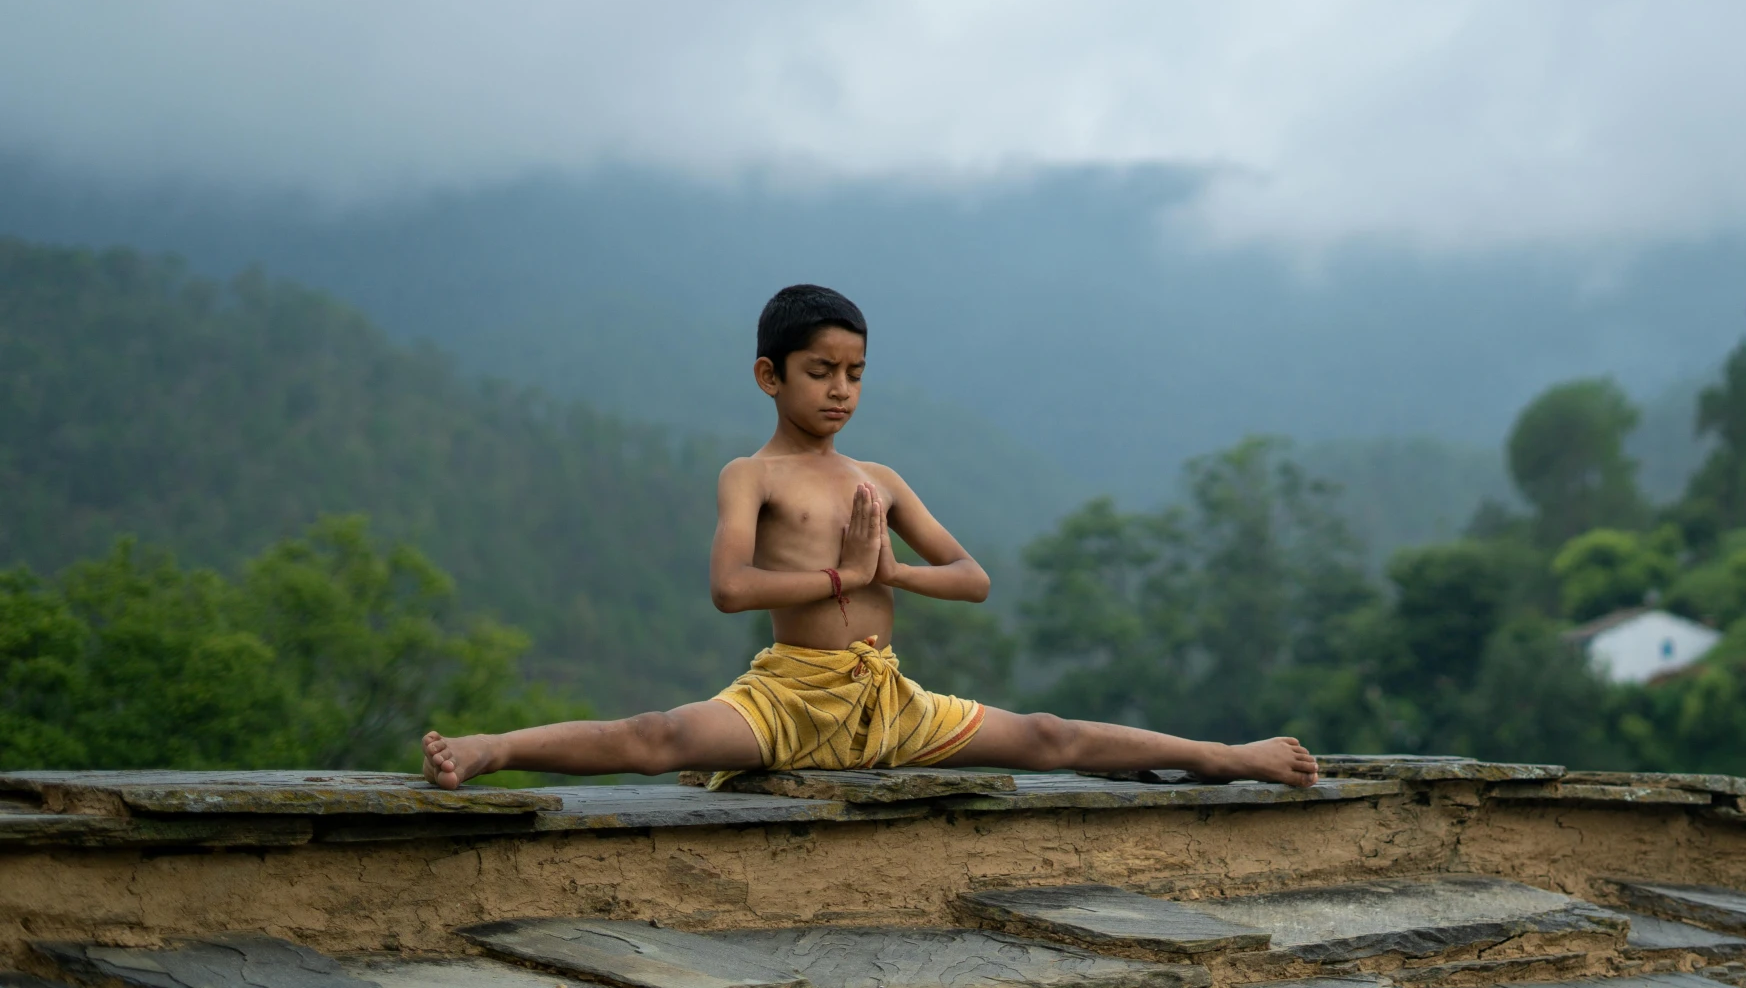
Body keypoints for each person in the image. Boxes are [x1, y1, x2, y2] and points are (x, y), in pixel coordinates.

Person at [421, 283, 1318, 790]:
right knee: (657, 736)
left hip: (888, 700)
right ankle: (496, 747)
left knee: (1049, 735)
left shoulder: (877, 480)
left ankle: (1223, 755)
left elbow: (971, 577)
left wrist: (888, 569)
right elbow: (731, 587)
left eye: (855, 372)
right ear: (770, 375)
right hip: (790, 696)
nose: (840, 389)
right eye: (820, 371)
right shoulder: (754, 474)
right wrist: (839, 580)